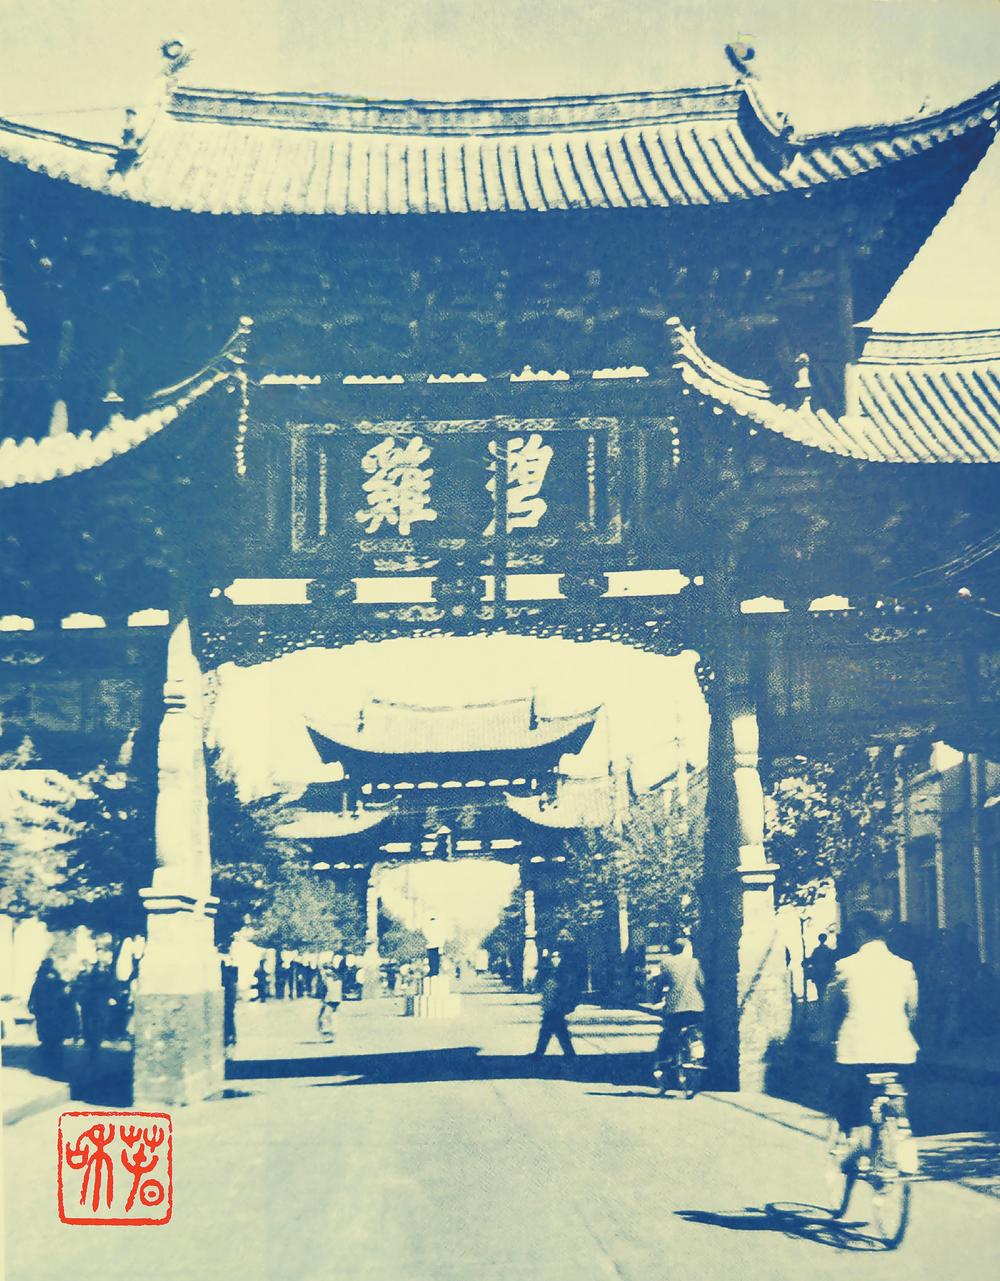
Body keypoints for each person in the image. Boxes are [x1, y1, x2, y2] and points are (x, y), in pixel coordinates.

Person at [824, 910, 919, 1158]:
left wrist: (826, 1036)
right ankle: (902, 1128)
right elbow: (912, 1010)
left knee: (848, 1098)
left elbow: (830, 1008)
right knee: (897, 1092)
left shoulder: (845, 966)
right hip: (899, 1051)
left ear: (859, 933)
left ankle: (847, 1139)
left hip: (857, 1052)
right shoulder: (905, 967)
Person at [652, 936, 705, 1065]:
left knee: (668, 1036)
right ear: (686, 949)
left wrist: (656, 999)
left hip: (675, 1008)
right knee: (699, 1032)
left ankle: (664, 1062)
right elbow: (702, 983)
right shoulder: (695, 962)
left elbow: (660, 984)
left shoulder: (666, 963)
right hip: (696, 1007)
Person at [28, 958, 75, 1071]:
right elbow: (66, 997)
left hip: (46, 1013)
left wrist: (31, 1007)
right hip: (52, 1013)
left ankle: (49, 1062)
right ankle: (54, 1063)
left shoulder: (40, 980)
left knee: (48, 1039)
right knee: (54, 1040)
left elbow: (32, 997)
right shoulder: (55, 980)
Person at [531, 950, 578, 1059]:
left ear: (561, 958)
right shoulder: (548, 971)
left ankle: (540, 1053)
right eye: (552, 957)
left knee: (549, 1030)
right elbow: (538, 984)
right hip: (551, 1006)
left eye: (556, 957)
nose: (554, 960)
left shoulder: (564, 972)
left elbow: (568, 990)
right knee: (556, 1031)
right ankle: (569, 1053)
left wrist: (566, 1004)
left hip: (557, 1006)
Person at [805, 933, 837, 1003]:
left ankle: (821, 999)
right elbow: (832, 962)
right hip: (825, 972)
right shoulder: (828, 950)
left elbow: (812, 960)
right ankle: (822, 999)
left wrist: (806, 961)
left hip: (818, 972)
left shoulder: (817, 950)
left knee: (819, 987)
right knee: (823, 987)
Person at [317, 959, 343, 1042]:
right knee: (332, 1016)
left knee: (324, 1017)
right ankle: (332, 1033)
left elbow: (324, 989)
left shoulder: (326, 977)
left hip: (329, 999)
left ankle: (327, 1034)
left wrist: (323, 999)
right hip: (337, 999)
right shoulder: (337, 977)